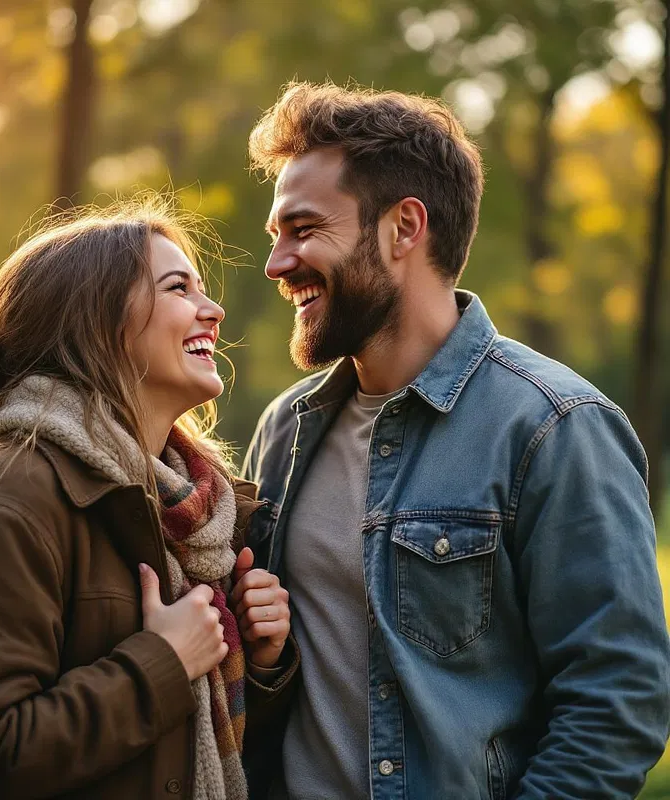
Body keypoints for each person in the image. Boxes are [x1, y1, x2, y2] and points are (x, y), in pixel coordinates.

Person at [242, 81, 670, 800]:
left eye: (304, 229)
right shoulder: (286, 429)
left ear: (403, 229)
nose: (277, 264)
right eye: (276, 235)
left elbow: (615, 706)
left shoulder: (553, 425)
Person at [0, 197, 297, 800]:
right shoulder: (12, 499)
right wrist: (164, 661)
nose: (213, 310)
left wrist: (259, 660)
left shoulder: (197, 516)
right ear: (97, 322)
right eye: (178, 288)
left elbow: (192, 755)